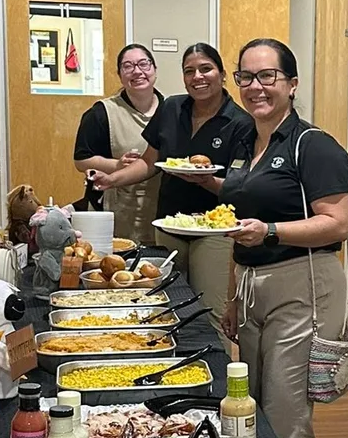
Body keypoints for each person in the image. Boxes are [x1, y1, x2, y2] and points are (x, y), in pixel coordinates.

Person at [219, 40, 348, 438]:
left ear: (292, 84)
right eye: (246, 77)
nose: (255, 87)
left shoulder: (313, 146)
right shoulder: (244, 140)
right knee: (251, 404)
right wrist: (233, 297)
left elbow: (337, 224)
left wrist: (272, 231)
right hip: (251, 284)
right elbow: (239, 224)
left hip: (302, 286)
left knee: (285, 412)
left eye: (267, 76)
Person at [94, 43, 252, 327]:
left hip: (213, 231)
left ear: (222, 74)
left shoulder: (241, 122)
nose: (197, 77)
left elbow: (238, 188)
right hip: (170, 222)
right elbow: (149, 162)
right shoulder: (171, 108)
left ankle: (213, 356)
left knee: (209, 311)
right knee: (165, 303)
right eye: (189, 71)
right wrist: (112, 179)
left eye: (206, 69)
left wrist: (206, 181)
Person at [72, 43, 164, 245]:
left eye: (143, 64)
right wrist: (116, 165)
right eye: (128, 66)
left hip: (160, 209)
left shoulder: (171, 110)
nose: (137, 71)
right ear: (120, 75)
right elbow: (81, 160)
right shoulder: (101, 113)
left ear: (155, 69)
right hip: (115, 207)